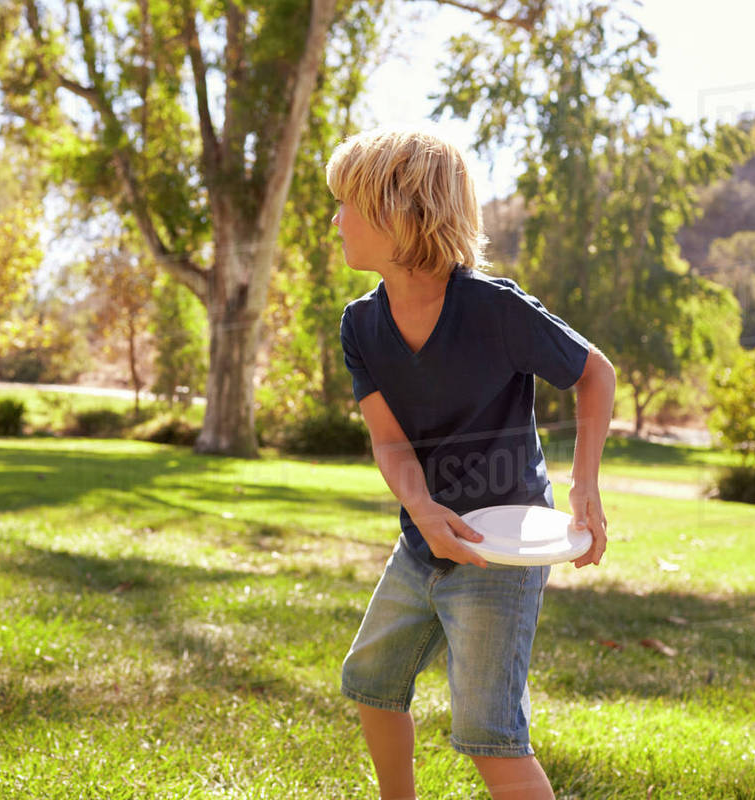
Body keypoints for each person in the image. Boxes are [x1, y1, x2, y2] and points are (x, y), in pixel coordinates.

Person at [327, 131, 616, 800]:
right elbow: (390, 440)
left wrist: (585, 487)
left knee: (488, 733)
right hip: (423, 543)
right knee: (372, 682)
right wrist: (424, 513)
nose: (335, 220)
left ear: (402, 213)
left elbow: (594, 372)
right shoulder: (359, 325)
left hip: (502, 553)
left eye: (347, 203)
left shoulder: (494, 309)